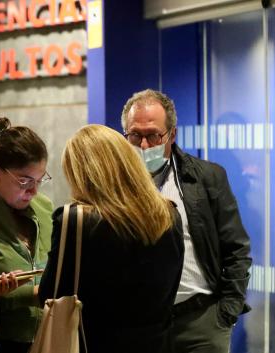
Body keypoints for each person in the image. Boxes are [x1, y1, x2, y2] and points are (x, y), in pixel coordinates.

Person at [121, 89, 252, 353]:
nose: (144, 146)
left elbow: (236, 248)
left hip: (201, 322)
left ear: (172, 134)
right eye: (135, 135)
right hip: (140, 325)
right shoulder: (114, 185)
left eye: (153, 135)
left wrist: (226, 313)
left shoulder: (206, 178)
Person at [39, 124, 184, 353]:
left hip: (92, 344)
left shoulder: (75, 220)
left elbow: (52, 295)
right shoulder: (170, 215)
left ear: (81, 174)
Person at [0, 117, 54, 353]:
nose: (33, 191)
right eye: (25, 181)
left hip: (46, 335)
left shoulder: (44, 206)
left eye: (40, 180)